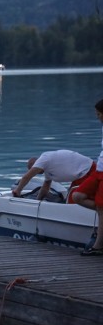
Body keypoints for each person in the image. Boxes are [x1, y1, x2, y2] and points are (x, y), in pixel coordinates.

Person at [72, 98, 103, 256]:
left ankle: (98, 247)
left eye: (98, 114)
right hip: (99, 170)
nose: (97, 117)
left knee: (101, 208)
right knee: (77, 195)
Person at [11, 150, 96, 202]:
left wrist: (18, 190)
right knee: (69, 198)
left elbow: (27, 176)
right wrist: (38, 201)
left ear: (36, 164)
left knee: (73, 201)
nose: (35, 173)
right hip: (80, 175)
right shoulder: (48, 171)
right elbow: (45, 188)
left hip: (87, 171)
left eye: (33, 169)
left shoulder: (44, 159)